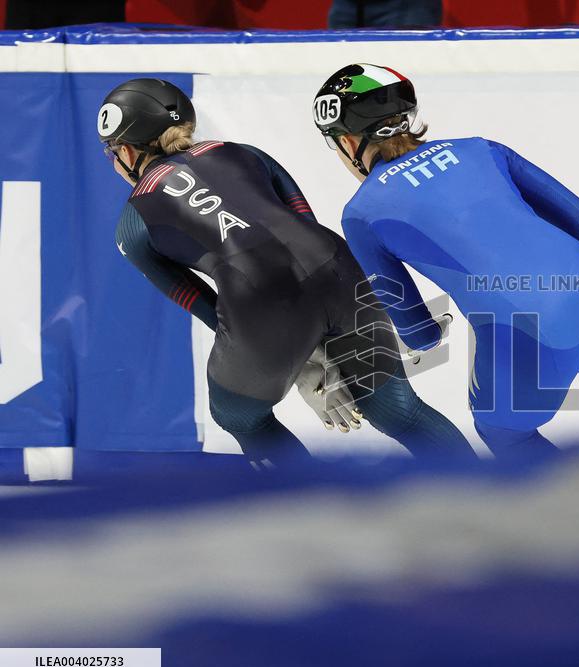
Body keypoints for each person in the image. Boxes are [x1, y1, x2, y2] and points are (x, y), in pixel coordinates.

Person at [99, 78, 475, 466]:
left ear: (126, 150)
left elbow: (205, 305)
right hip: (335, 266)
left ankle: (311, 515)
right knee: (399, 412)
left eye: (111, 152)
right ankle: (488, 495)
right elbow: (303, 225)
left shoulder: (133, 223)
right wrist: (326, 338)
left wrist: (295, 361)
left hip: (260, 306)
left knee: (238, 415)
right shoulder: (244, 153)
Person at [312, 64, 579, 459]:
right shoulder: (479, 147)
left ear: (348, 142)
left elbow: (418, 334)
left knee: (502, 432)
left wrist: (429, 333)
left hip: (525, 327)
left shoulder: (361, 213)